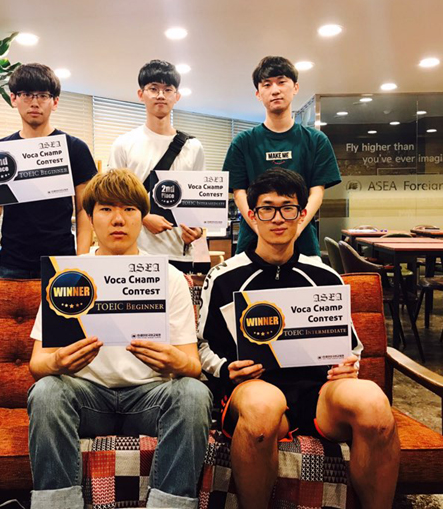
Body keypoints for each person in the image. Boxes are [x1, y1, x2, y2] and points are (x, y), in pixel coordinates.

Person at [197, 168, 399, 509]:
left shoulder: (325, 275)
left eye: (287, 208)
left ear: (303, 214)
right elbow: (202, 346)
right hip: (255, 389)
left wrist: (350, 365)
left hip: (321, 395)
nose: (278, 218)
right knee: (262, 408)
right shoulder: (222, 277)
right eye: (267, 208)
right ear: (252, 216)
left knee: (374, 405)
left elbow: (351, 346)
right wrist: (226, 369)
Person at [27, 168, 213, 509]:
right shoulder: (66, 275)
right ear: (89, 217)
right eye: (106, 209)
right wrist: (56, 362)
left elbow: (193, 366)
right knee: (47, 391)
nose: (118, 219)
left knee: (194, 393)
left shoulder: (169, 277)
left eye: (129, 209)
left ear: (142, 218)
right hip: (87, 397)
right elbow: (37, 365)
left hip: (149, 398)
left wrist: (176, 361)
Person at [0, 63, 97, 278]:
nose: (35, 102)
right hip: (13, 261)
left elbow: (84, 210)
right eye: (27, 94)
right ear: (14, 98)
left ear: (55, 102)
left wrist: (81, 258)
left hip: (61, 260)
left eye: (43, 95)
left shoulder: (75, 148)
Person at [223, 56, 342, 259]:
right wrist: (259, 228)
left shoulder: (316, 140)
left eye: (281, 82)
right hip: (253, 241)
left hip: (302, 240)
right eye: (267, 84)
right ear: (258, 93)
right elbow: (239, 192)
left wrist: (297, 228)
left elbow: (317, 192)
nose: (275, 90)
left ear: (295, 87)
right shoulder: (242, 142)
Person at [108, 59, 208, 274]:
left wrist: (197, 231)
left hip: (179, 253)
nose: (161, 95)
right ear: (141, 94)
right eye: (153, 89)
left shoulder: (193, 147)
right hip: (133, 251)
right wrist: (144, 217)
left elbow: (199, 202)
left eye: (168, 89)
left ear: (177, 96)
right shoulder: (123, 144)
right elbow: (113, 199)